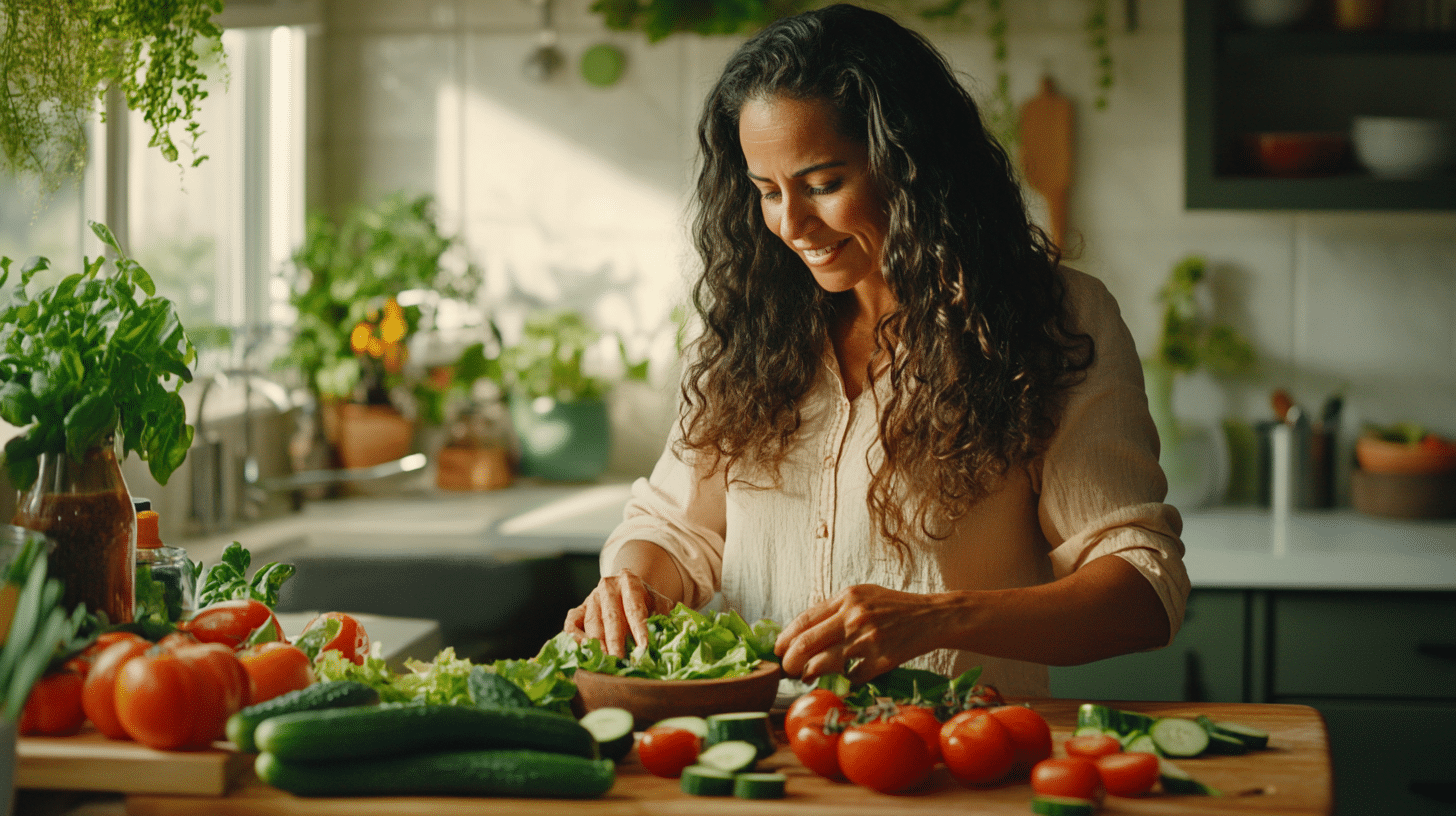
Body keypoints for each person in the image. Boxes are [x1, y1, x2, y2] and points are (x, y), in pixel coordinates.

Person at [562, 3, 1189, 697]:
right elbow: (680, 528)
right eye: (767, 192)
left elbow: (1141, 589)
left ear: (912, 166)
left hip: (956, 763)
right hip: (768, 765)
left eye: (823, 184)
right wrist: (631, 585)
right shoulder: (750, 324)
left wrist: (936, 619)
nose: (791, 225)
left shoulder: (1052, 318)